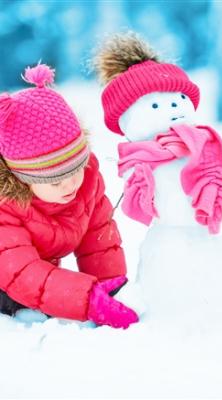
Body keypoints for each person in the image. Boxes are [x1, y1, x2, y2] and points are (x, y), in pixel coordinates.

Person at [0, 63, 138, 329]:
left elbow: (97, 234)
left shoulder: (85, 180)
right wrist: (88, 301)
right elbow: (22, 273)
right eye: (55, 181)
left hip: (32, 272)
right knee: (17, 302)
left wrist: (109, 286)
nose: (70, 185)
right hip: (7, 278)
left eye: (75, 169)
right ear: (23, 179)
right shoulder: (6, 208)